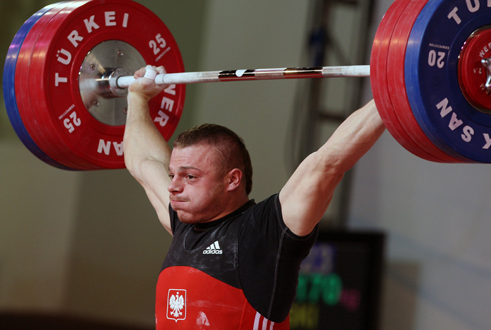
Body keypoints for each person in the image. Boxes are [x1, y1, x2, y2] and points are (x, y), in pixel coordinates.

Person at [124, 65, 385, 329]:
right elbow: (143, 161)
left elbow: (327, 164)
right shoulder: (184, 224)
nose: (173, 187)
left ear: (233, 180)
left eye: (190, 176)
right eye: (172, 175)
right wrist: (137, 98)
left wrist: (396, 88)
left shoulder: (264, 233)